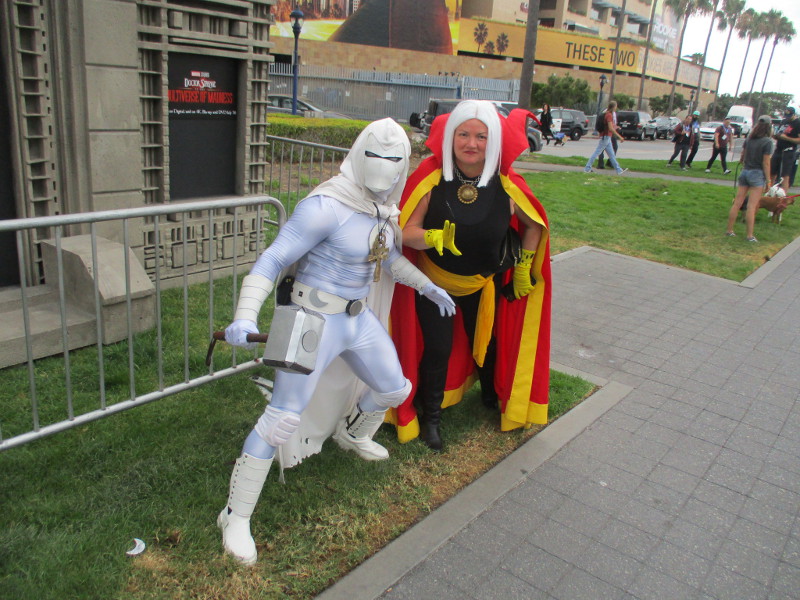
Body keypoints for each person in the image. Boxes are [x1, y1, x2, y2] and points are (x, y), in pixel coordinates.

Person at [219, 118, 456, 565]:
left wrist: (427, 286)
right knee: (281, 419)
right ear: (359, 154)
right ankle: (235, 515)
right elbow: (274, 258)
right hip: (311, 318)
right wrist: (244, 314)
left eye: (393, 158)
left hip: (355, 317)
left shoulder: (382, 211)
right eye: (376, 155)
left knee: (394, 388)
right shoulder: (327, 205)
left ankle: (352, 434)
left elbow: (388, 260)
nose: (383, 166)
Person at [389, 100, 552, 450]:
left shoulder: (506, 184)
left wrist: (523, 267)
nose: (472, 144)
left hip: (482, 285)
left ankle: (492, 395)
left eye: (481, 136)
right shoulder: (432, 178)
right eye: (463, 134)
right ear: (451, 136)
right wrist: (432, 238)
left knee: (491, 343)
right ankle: (431, 417)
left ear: (492, 141)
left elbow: (534, 225)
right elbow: (404, 231)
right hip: (434, 286)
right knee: (438, 349)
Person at [726, 115, 774, 242]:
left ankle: (729, 230)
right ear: (769, 127)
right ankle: (749, 236)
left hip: (745, 171)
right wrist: (768, 181)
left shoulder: (749, 139)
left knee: (737, 203)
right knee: (752, 206)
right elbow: (766, 163)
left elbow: (743, 155)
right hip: (757, 174)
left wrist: (744, 162)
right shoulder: (768, 142)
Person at [584, 100, 627, 175]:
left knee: (611, 155)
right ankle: (587, 168)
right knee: (597, 152)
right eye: (616, 106)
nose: (616, 108)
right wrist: (620, 137)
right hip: (606, 137)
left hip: (606, 137)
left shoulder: (606, 114)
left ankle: (619, 170)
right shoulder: (609, 115)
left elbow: (609, 126)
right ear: (613, 107)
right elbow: (610, 128)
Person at [770, 106, 800, 193]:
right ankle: (770, 191)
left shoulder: (797, 123)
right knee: (772, 171)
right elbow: (780, 134)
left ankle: (783, 194)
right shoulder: (783, 121)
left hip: (789, 150)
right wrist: (775, 135)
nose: (788, 118)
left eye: (789, 116)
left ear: (794, 114)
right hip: (778, 149)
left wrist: (786, 138)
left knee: (785, 174)